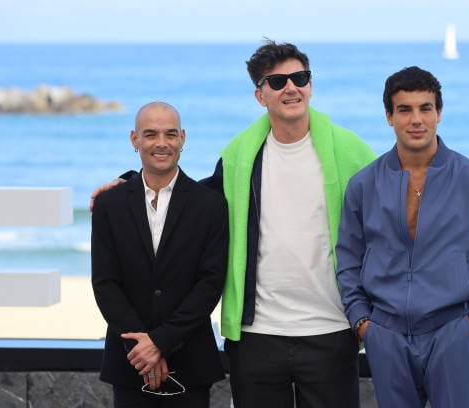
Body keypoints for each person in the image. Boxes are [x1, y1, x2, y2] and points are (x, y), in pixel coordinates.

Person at [90, 41, 377, 407]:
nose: (291, 88)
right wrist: (129, 183)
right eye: (278, 82)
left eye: (300, 78)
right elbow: (188, 198)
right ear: (261, 96)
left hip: (331, 330)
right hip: (256, 337)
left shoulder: (351, 152)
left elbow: (387, 213)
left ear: (310, 85)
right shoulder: (239, 156)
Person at [335, 66, 469, 408]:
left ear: (439, 113)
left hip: (452, 331)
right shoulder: (363, 186)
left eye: (425, 108)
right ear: (389, 117)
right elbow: (347, 261)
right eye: (404, 109)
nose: (416, 119)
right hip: (385, 335)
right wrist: (363, 323)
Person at [91, 102, 228, 408]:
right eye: (150, 134)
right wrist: (142, 347)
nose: (162, 143)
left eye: (170, 134)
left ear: (183, 138)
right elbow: (105, 283)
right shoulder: (108, 205)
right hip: (130, 361)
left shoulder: (211, 206)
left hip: (191, 361)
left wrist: (161, 343)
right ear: (134, 139)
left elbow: (210, 283)